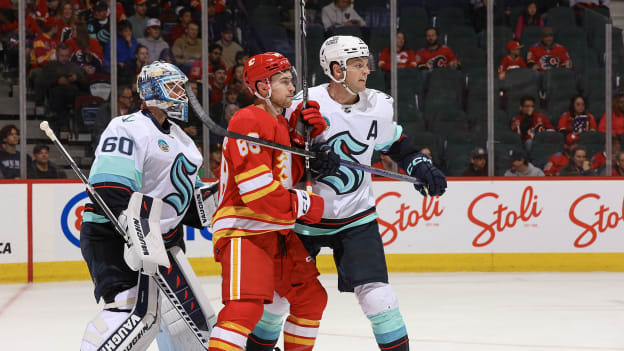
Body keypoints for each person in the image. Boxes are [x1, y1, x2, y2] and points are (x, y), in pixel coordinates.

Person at [247, 36, 447, 351]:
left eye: (365, 64)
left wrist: (420, 165)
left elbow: (396, 144)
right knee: (277, 299)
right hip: (304, 218)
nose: (367, 70)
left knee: (379, 298)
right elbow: (280, 152)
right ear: (337, 70)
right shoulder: (301, 103)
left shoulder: (378, 105)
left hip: (356, 217)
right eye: (358, 65)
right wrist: (309, 158)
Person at [80, 61, 215, 351]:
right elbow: (109, 187)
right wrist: (133, 228)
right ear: (153, 90)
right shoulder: (127, 127)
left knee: (190, 327)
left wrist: (217, 201)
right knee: (133, 312)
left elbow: (185, 204)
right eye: (175, 87)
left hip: (165, 244)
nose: (183, 95)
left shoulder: (185, 142)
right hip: (115, 236)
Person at [209, 52, 338, 351]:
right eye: (283, 81)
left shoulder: (279, 125)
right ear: (264, 87)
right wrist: (307, 205)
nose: (292, 88)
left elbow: (284, 177)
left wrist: (309, 144)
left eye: (291, 80)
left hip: (277, 230)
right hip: (245, 229)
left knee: (310, 299)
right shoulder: (248, 119)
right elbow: (257, 192)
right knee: (245, 308)